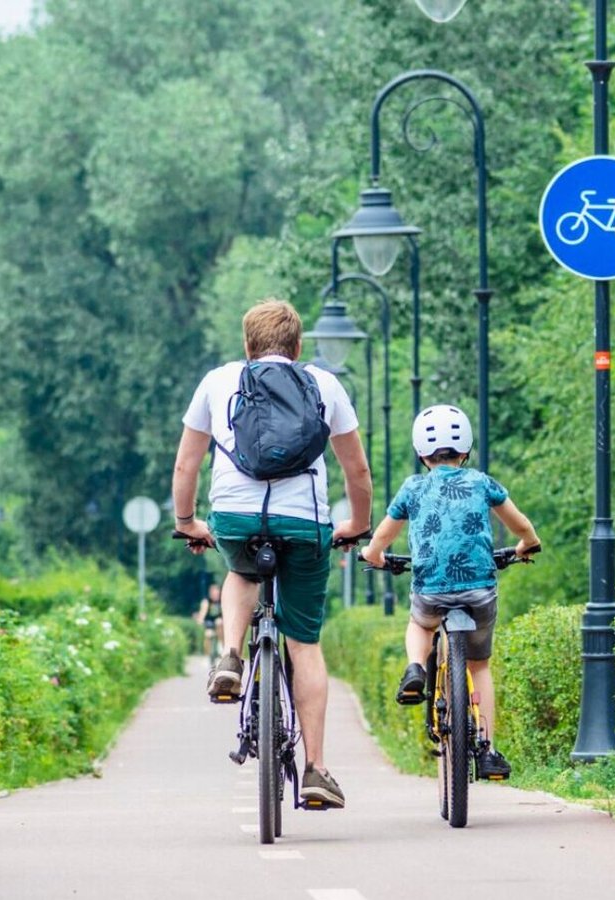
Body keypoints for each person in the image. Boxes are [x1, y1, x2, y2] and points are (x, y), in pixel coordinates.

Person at [171, 299, 373, 810]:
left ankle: (232, 654)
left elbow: (186, 465)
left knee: (241, 569)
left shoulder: (218, 381)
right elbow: (358, 473)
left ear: (247, 345)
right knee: (303, 643)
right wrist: (358, 526)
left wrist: (187, 522)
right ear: (299, 346)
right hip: (306, 523)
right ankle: (317, 770)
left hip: (236, 517)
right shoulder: (325, 385)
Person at [359, 405, 540, 780]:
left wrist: (373, 556)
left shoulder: (413, 487)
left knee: (421, 625)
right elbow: (522, 525)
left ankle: (415, 668)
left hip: (431, 588)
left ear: (421, 454)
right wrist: (527, 544)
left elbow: (382, 537)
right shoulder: (483, 483)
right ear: (466, 450)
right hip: (479, 590)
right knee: (480, 664)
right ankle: (488, 748)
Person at [192, 583, 224, 662]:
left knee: (219, 622)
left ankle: (221, 648)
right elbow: (203, 613)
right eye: (214, 593)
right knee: (208, 635)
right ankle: (207, 655)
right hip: (209, 623)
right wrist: (200, 620)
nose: (216, 595)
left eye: (217, 592)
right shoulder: (206, 602)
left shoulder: (222, 601)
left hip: (220, 623)